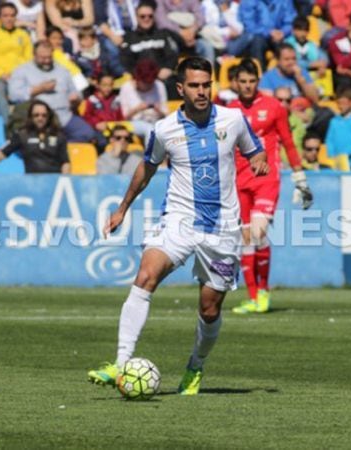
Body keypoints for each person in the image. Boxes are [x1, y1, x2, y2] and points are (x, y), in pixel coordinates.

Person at [87, 57, 269, 395]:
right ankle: (121, 363)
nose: (202, 91)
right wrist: (123, 207)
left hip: (222, 229)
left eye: (207, 84)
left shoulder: (233, 120)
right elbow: (147, 168)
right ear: (181, 89)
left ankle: (196, 365)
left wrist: (259, 160)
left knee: (209, 308)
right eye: (195, 85)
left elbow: (255, 152)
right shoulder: (165, 129)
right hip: (179, 220)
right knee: (145, 277)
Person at [227, 58, 312, 314]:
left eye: (252, 81)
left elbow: (287, 141)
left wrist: (300, 177)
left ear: (258, 81)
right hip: (239, 180)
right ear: (235, 83)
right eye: (243, 82)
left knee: (258, 232)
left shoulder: (274, 106)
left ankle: (263, 291)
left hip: (267, 178)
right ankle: (253, 297)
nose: (247, 86)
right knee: (246, 239)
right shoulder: (229, 110)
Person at [9, 41, 96, 143]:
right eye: (42, 58)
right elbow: (14, 95)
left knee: (87, 133)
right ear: (34, 55)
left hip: (64, 115)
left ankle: (61, 148)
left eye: (49, 57)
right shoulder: (22, 71)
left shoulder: (62, 70)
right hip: (40, 118)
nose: (46, 61)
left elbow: (77, 92)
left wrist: (76, 98)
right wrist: (39, 89)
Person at [0, 100, 70, 174]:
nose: (40, 118)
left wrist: (64, 180)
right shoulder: (22, 135)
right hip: (31, 182)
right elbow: (3, 153)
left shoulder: (59, 136)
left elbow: (65, 162)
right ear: (31, 117)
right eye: (36, 115)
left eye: (44, 115)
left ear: (48, 117)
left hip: (54, 182)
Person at [0, 2, 34, 123]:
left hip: (19, 77)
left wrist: (17, 75)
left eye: (12, 15)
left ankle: (24, 125)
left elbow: (29, 59)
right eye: (5, 16)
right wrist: (1, 74)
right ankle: (6, 126)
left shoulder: (23, 35)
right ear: (0, 17)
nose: (9, 19)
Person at [120, 1, 179, 95]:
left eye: (150, 16)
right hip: (140, 82)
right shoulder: (128, 38)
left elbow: (172, 56)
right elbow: (125, 61)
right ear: (136, 17)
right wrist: (139, 76)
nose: (146, 19)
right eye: (142, 16)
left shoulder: (163, 34)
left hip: (163, 80)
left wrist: (168, 68)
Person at [235, 0, 297, 67]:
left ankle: (289, 72)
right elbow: (249, 25)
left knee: (286, 46)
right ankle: (260, 73)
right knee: (257, 42)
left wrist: (283, 32)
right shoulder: (248, 1)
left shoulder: (285, 1)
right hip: (257, 35)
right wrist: (269, 32)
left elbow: (291, 21)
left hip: (279, 35)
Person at [118, 59, 167, 139]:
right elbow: (124, 117)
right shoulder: (126, 87)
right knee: (150, 129)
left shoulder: (159, 85)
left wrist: (158, 110)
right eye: (145, 83)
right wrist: (138, 109)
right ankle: (151, 152)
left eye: (151, 83)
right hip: (134, 123)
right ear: (137, 79)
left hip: (156, 121)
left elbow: (165, 114)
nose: (149, 86)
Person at [154, 0, 215, 65]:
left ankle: (208, 73)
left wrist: (191, 31)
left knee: (206, 47)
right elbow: (161, 21)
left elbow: (201, 18)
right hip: (171, 37)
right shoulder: (160, 1)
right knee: (171, 49)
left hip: (193, 36)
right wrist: (180, 32)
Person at [92, 0, 139, 79]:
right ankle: (123, 75)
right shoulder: (101, 2)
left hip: (135, 31)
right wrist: (113, 36)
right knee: (110, 47)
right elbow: (100, 21)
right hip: (112, 33)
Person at [325, 87, 351, 170]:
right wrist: (331, 154)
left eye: (343, 103)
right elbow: (329, 139)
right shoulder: (334, 121)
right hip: (336, 161)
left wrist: (344, 154)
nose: (340, 106)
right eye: (338, 103)